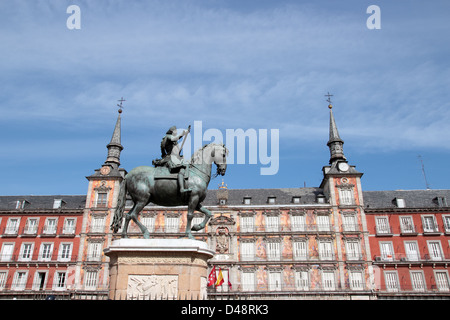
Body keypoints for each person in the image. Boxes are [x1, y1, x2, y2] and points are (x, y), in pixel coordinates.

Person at [153, 126, 191, 194]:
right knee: (182, 168)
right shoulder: (168, 136)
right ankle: (182, 188)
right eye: (176, 130)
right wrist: (183, 134)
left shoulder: (174, 141)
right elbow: (175, 138)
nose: (177, 131)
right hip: (171, 158)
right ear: (172, 131)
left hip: (176, 157)